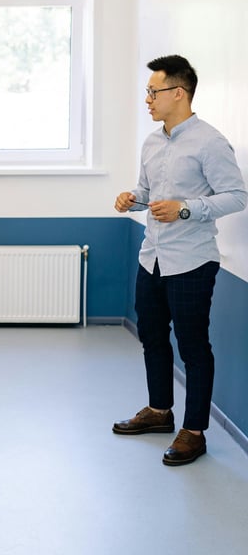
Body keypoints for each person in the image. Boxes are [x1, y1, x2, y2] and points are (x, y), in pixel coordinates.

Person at [113, 54, 246, 466]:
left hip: (192, 261)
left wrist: (185, 208)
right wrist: (131, 199)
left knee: (193, 346)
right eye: (147, 92)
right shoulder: (152, 143)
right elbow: (147, 193)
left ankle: (194, 431)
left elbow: (237, 196)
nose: (147, 100)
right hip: (151, 257)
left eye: (153, 92)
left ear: (179, 93)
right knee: (152, 336)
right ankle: (159, 411)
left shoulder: (210, 141)